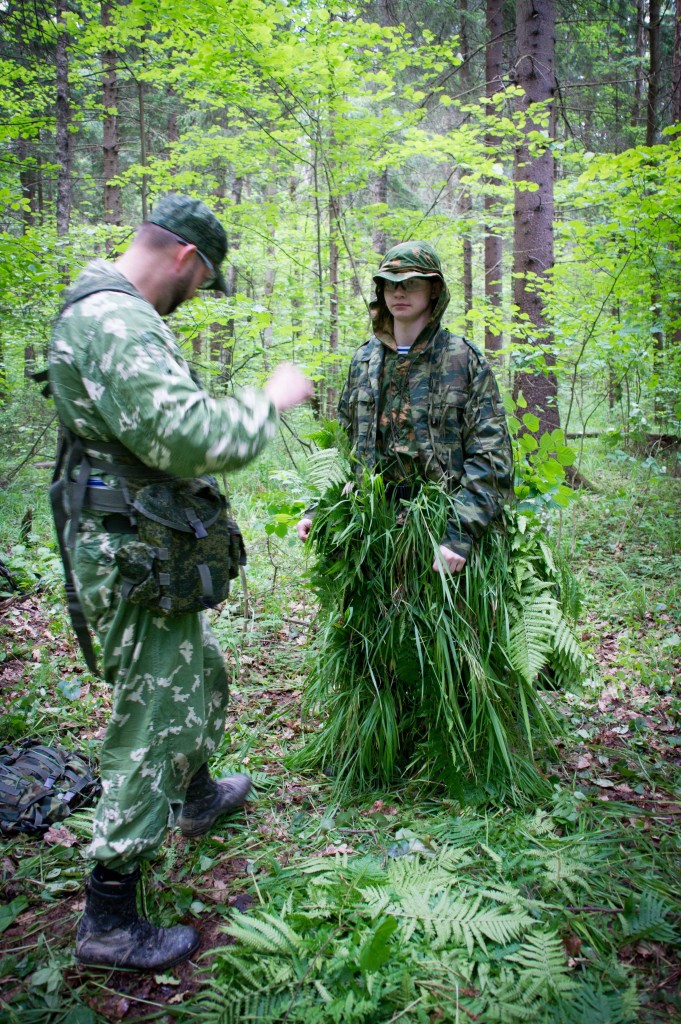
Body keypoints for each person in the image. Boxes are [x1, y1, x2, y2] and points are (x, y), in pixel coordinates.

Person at [47, 194, 313, 971]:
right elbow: (189, 438)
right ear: (186, 259)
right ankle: (109, 912)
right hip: (127, 550)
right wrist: (268, 400)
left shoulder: (115, 313)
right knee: (156, 703)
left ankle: (194, 796)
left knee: (196, 669)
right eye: (200, 282)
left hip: (145, 542)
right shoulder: (116, 321)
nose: (195, 297)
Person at [297, 240, 513, 573]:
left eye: (412, 282)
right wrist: (319, 508)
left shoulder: (461, 359)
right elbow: (342, 451)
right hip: (372, 533)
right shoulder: (364, 360)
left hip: (443, 535)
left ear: (434, 290)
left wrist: (460, 531)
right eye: (391, 283)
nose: (400, 292)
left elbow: (492, 456)